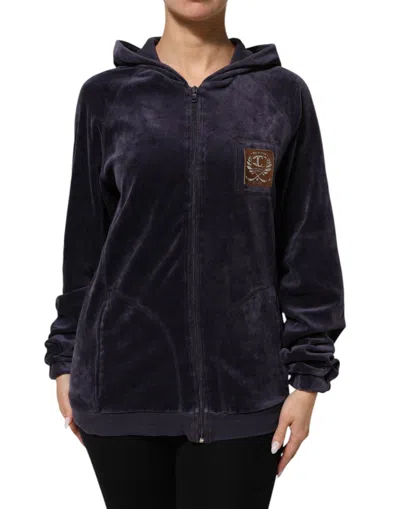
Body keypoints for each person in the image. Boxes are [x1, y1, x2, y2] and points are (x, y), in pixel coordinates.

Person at [44, 1, 346, 507]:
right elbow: (84, 245)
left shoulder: (280, 95)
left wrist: (309, 379)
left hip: (245, 397)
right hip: (120, 392)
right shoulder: (106, 97)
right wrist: (65, 359)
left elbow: (308, 243)